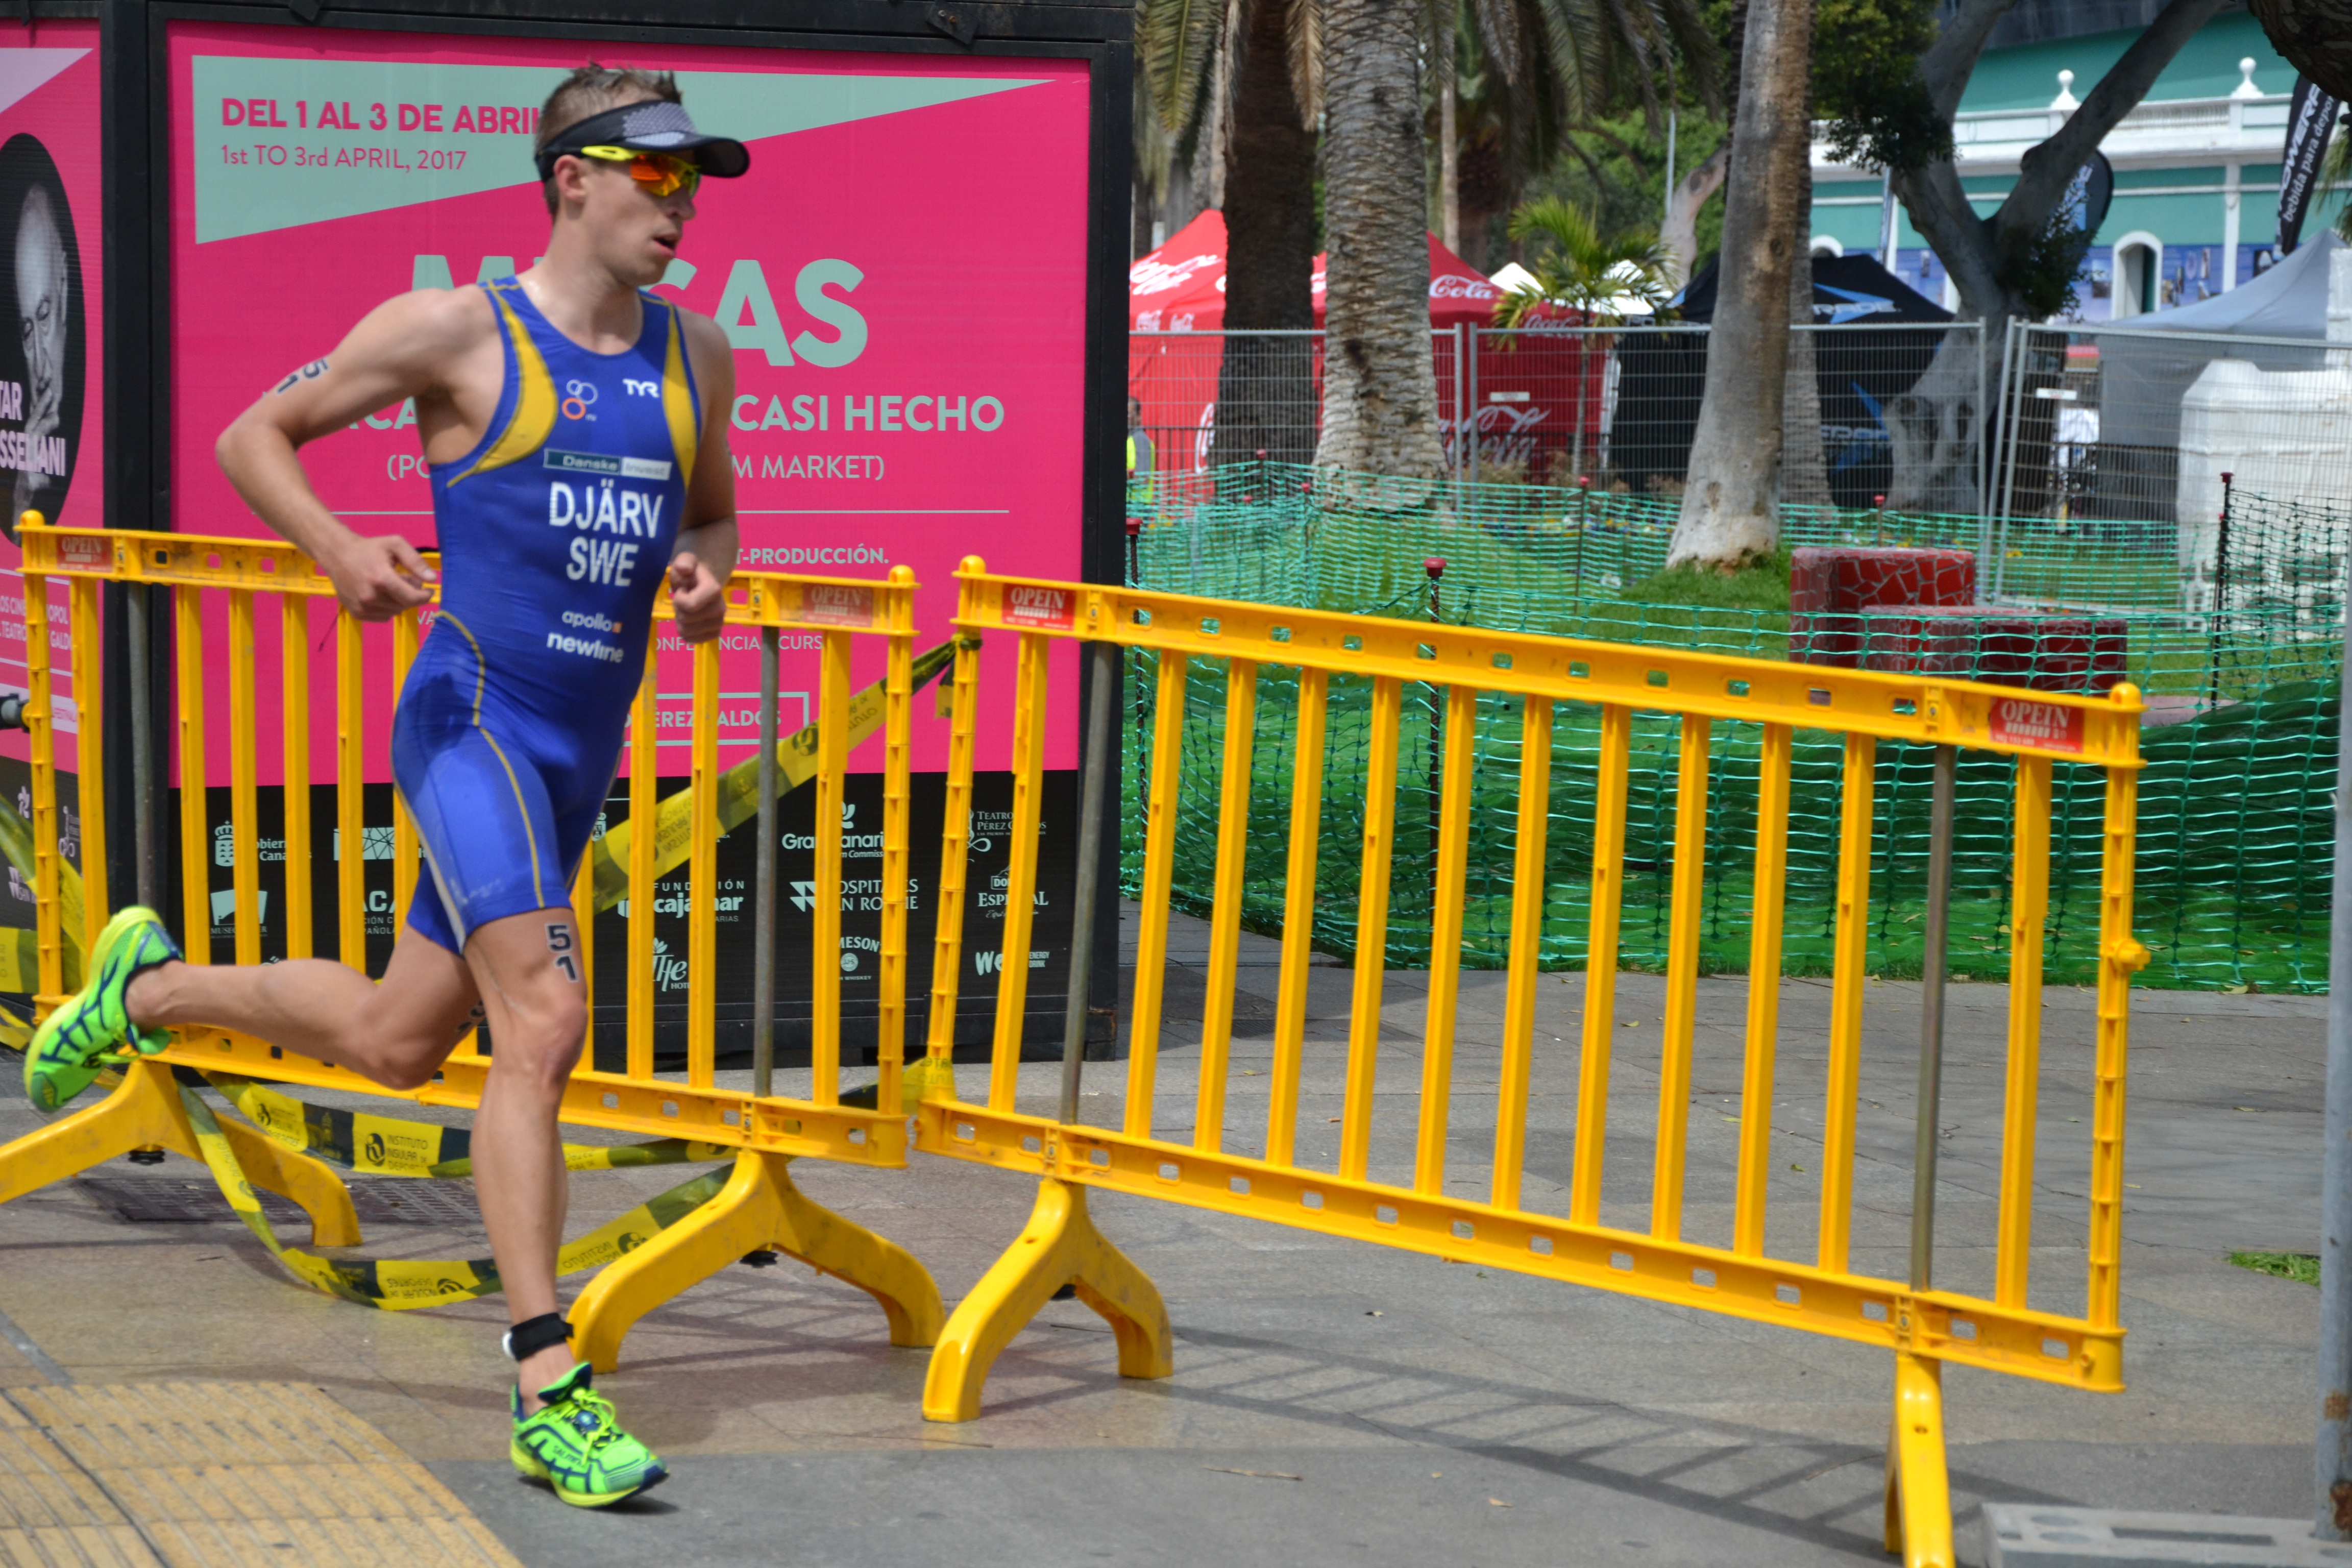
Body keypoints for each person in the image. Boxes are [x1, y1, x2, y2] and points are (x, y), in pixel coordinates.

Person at [21, 65, 748, 1509]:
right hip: (470, 722)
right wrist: (342, 552)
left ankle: (143, 990)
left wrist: (705, 574)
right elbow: (253, 438)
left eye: (697, 178)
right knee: (544, 1020)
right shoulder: (456, 331)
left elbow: (716, 513)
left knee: (397, 1040)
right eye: (658, 174)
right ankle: (548, 1381)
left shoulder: (698, 354)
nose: (684, 206)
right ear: (573, 178)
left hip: (577, 754)